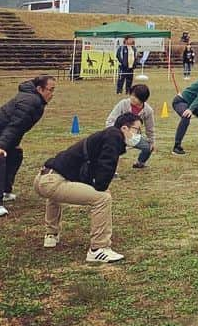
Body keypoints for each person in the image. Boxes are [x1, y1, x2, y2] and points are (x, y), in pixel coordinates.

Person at [33, 111, 140, 263]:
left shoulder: (105, 135)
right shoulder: (114, 137)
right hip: (52, 182)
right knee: (103, 198)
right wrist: (101, 187)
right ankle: (98, 249)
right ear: (124, 128)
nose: (138, 135)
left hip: (42, 178)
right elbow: (106, 165)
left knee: (55, 196)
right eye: (136, 130)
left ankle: (51, 235)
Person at [0, 75, 55, 217]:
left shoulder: (34, 100)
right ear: (39, 89)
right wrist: (0, 146)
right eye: (50, 90)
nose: (52, 94)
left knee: (16, 154)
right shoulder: (30, 101)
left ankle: (4, 191)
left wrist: (10, 145)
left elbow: (18, 128)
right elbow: (14, 127)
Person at [106, 83, 155, 168]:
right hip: (118, 134)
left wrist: (152, 141)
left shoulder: (148, 110)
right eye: (132, 95)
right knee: (114, 151)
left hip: (134, 136)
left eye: (136, 97)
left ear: (143, 99)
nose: (132, 98)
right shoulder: (123, 104)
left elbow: (150, 128)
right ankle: (112, 170)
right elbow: (110, 120)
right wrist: (114, 133)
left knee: (148, 147)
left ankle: (140, 163)